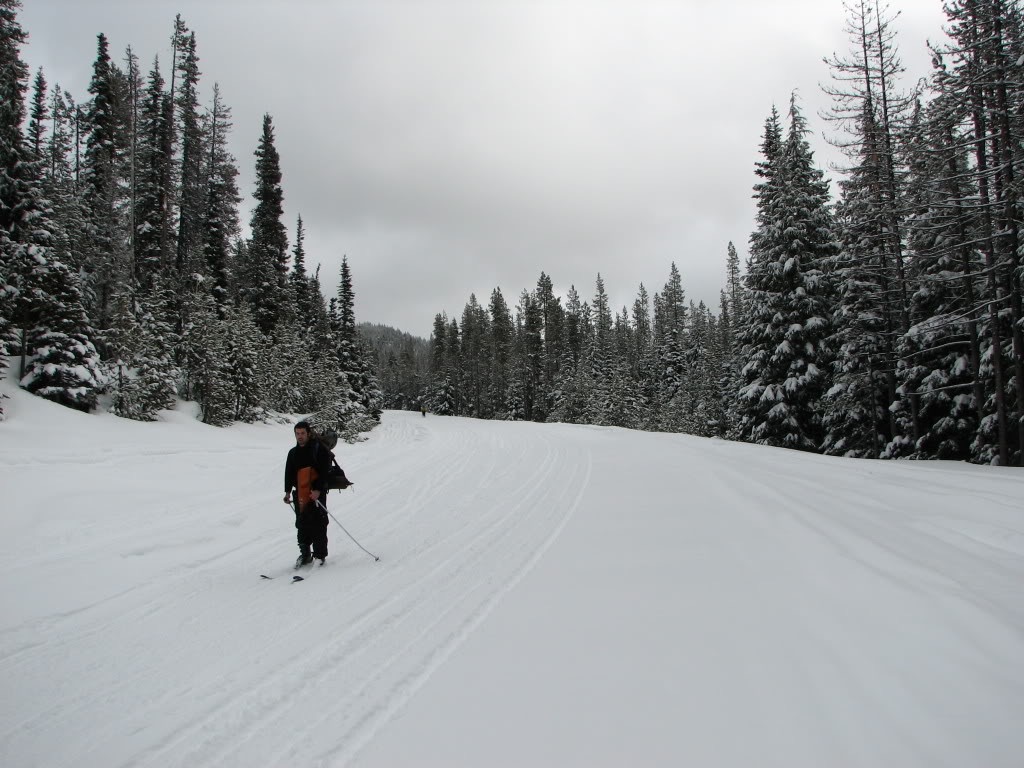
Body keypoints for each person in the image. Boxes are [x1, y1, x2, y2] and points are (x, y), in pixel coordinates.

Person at [283, 420, 332, 567]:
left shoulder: (318, 449)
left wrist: (318, 490)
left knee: (319, 522)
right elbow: (289, 473)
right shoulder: (293, 453)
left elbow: (324, 472)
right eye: (297, 433)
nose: (300, 436)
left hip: (317, 492)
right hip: (300, 492)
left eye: (303, 433)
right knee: (302, 523)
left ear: (308, 433)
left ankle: (319, 556)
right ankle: (305, 554)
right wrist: (287, 492)